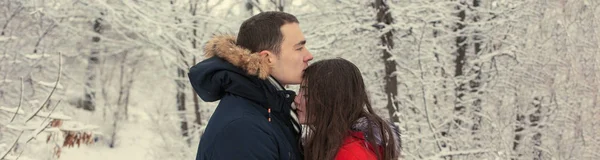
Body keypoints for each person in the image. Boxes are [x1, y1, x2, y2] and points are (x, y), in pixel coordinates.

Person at [188, 11, 313, 160]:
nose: (309, 55)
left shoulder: (271, 109)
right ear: (267, 58)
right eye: (299, 48)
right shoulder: (243, 128)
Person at [294, 58, 402, 160]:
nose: (296, 100)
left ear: (332, 100)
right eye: (299, 91)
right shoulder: (336, 145)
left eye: (307, 94)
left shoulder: (349, 154)